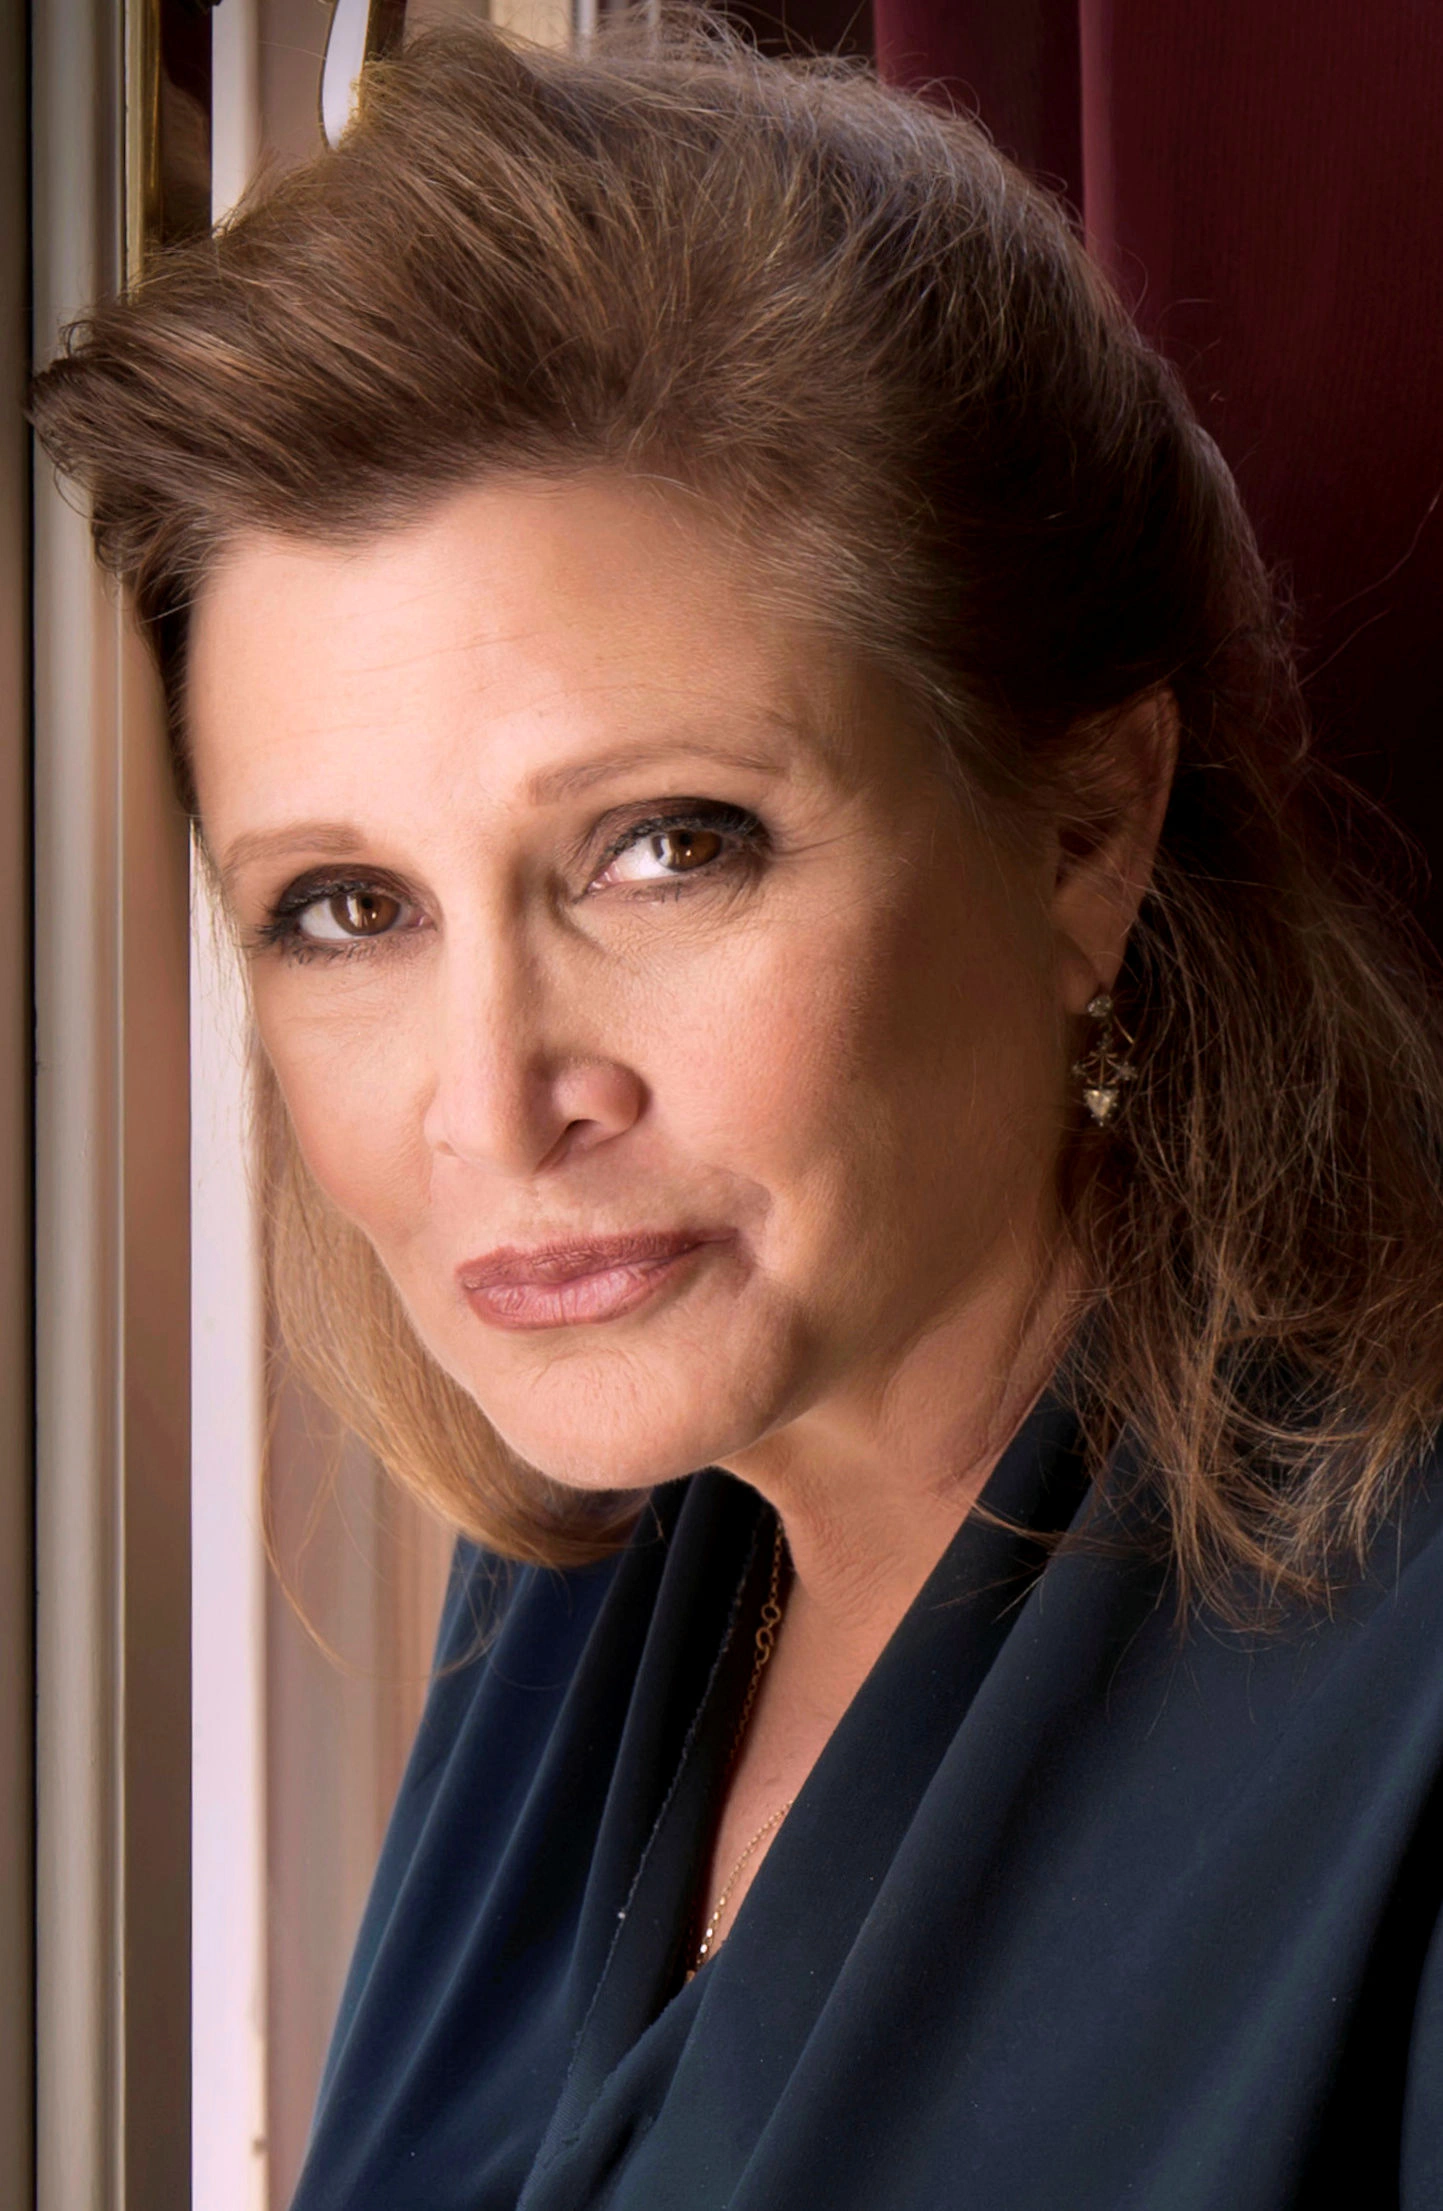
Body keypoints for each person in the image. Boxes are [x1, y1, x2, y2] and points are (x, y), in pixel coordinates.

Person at [30, 16, 1443, 2208]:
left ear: (1082, 834)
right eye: (346, 906)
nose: (496, 1104)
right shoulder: (585, 1581)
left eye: (665, 848)